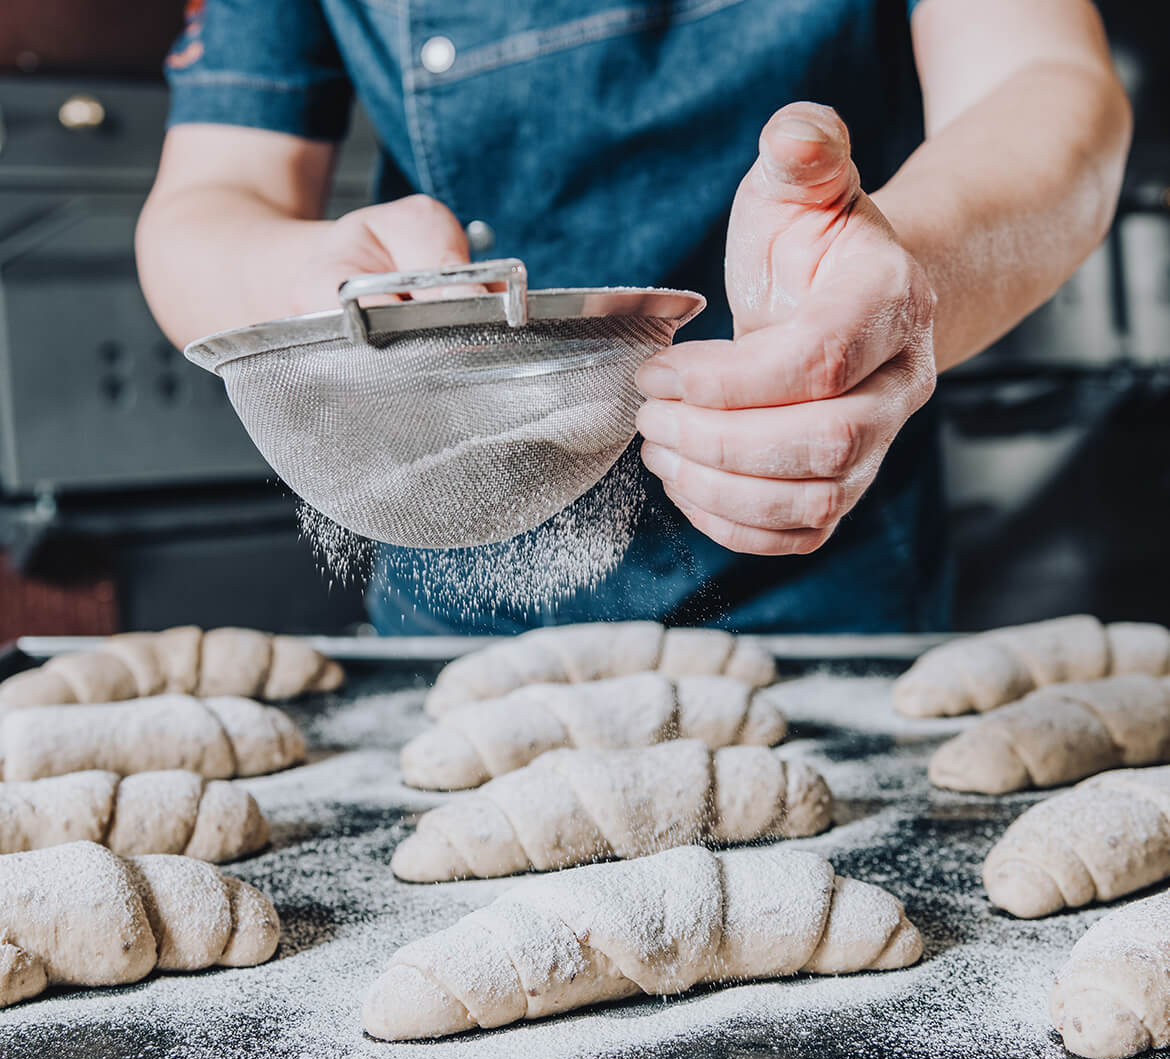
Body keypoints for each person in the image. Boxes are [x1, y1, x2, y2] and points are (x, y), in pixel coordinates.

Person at [137, 0, 1130, 636]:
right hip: (454, 610)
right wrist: (312, 281)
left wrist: (902, 267)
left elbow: (1044, 80)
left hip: (827, 588)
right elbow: (206, 203)